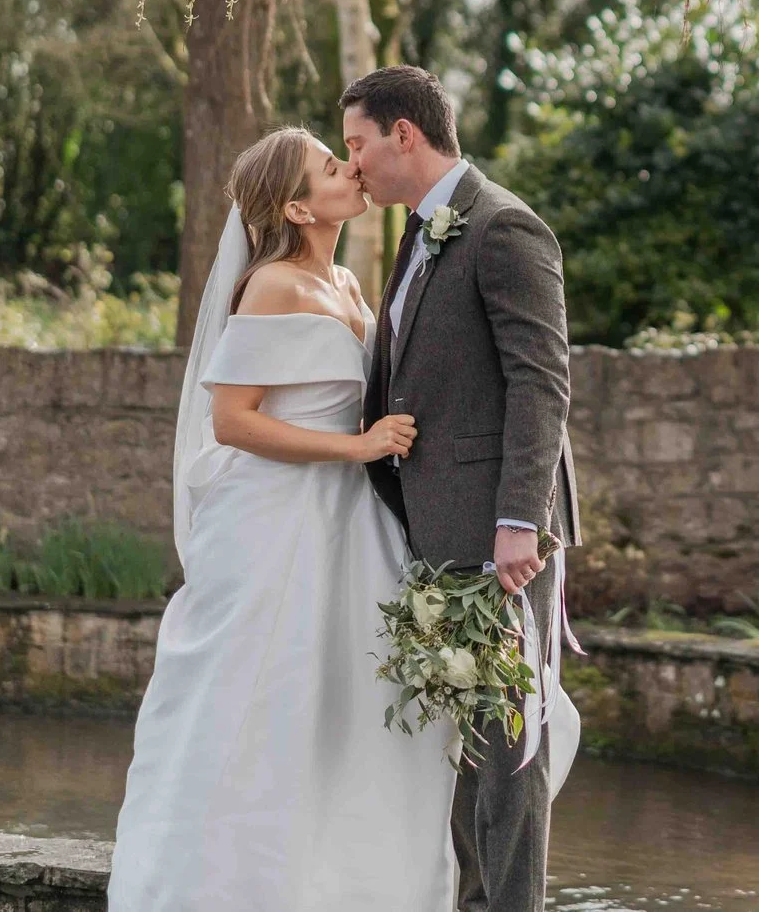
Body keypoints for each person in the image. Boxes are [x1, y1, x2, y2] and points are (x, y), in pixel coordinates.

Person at [109, 128, 455, 911]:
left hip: (349, 525)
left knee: (345, 703)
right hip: (274, 524)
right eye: (333, 167)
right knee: (261, 702)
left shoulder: (355, 289)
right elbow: (231, 420)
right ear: (299, 205)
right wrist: (355, 444)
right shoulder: (272, 285)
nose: (351, 168)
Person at [344, 65, 580, 912]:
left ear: (405, 133)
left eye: (358, 143)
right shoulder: (420, 230)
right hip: (441, 525)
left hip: (499, 534)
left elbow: (542, 380)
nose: (354, 163)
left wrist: (522, 518)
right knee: (472, 741)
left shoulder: (505, 226)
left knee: (510, 740)